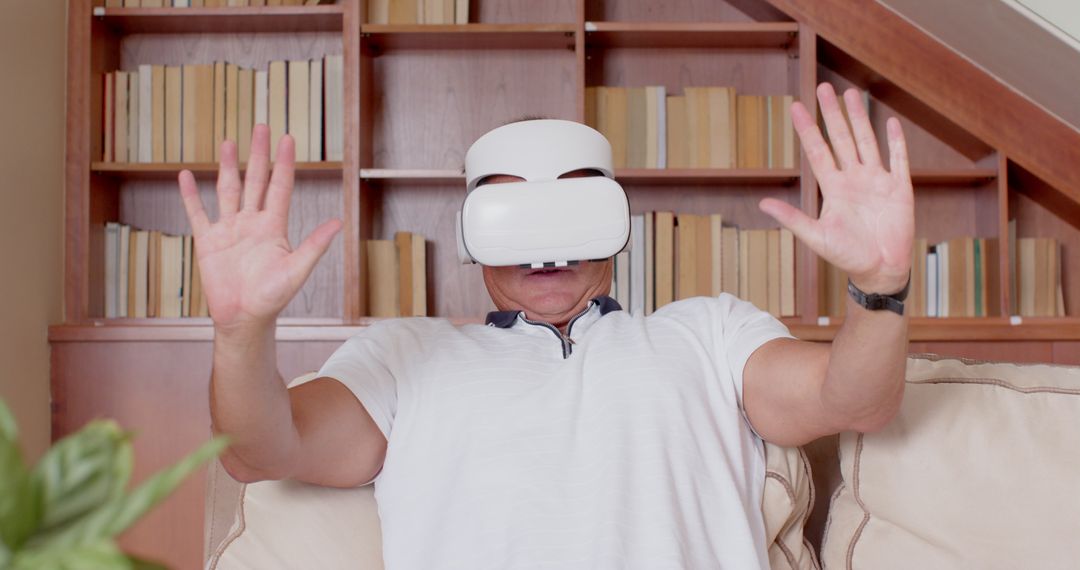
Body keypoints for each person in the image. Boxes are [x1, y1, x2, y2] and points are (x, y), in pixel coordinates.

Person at [178, 82, 913, 569]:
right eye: (513, 210)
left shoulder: (708, 334)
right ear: (472, 230)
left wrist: (880, 289)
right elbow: (259, 450)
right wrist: (241, 331)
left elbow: (854, 402)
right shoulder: (406, 354)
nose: (545, 244)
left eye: (568, 205)